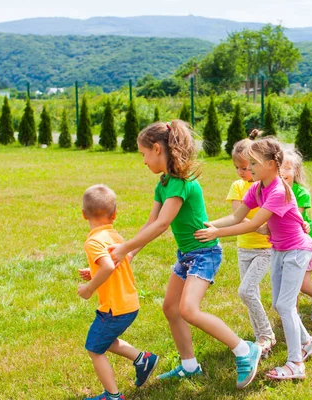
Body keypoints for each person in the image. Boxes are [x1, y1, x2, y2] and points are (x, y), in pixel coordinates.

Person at [108, 121, 261, 390]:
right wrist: (130, 252)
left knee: (189, 309)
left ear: (157, 149)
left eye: (143, 154)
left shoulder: (180, 182)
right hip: (187, 254)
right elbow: (150, 222)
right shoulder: (164, 183)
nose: (143, 161)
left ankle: (244, 349)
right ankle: (189, 365)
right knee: (170, 308)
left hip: (204, 253)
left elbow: (162, 224)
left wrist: (122, 248)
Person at [194, 137, 312, 380]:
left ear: (272, 163)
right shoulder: (257, 188)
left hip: (297, 250)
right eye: (247, 163)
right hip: (281, 250)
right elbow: (237, 217)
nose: (249, 167)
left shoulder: (279, 191)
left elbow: (252, 224)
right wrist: (208, 224)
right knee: (279, 304)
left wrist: (216, 233)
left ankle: (295, 364)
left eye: (253, 162)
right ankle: (307, 343)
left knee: (284, 305)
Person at [78, 184, 159, 400]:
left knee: (95, 349)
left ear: (83, 214)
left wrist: (89, 288)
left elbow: (107, 267)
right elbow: (112, 263)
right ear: (114, 214)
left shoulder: (94, 241)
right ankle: (143, 359)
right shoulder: (114, 235)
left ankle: (113, 396)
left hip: (114, 308)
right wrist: (93, 270)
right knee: (104, 340)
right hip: (128, 304)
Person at [226, 135, 277, 358]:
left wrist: (261, 230)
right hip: (244, 247)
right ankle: (260, 343)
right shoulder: (237, 187)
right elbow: (238, 216)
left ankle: (267, 333)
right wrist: (257, 227)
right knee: (250, 295)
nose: (241, 172)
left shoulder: (264, 186)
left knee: (246, 291)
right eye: (237, 167)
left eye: (245, 167)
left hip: (265, 249)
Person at [280, 149, 312, 323]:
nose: (282, 172)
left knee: (301, 283)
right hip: (284, 242)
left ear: (296, 171)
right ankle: (294, 317)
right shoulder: (273, 190)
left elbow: (293, 216)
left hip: (303, 242)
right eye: (279, 168)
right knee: (289, 283)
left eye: (287, 168)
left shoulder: (301, 193)